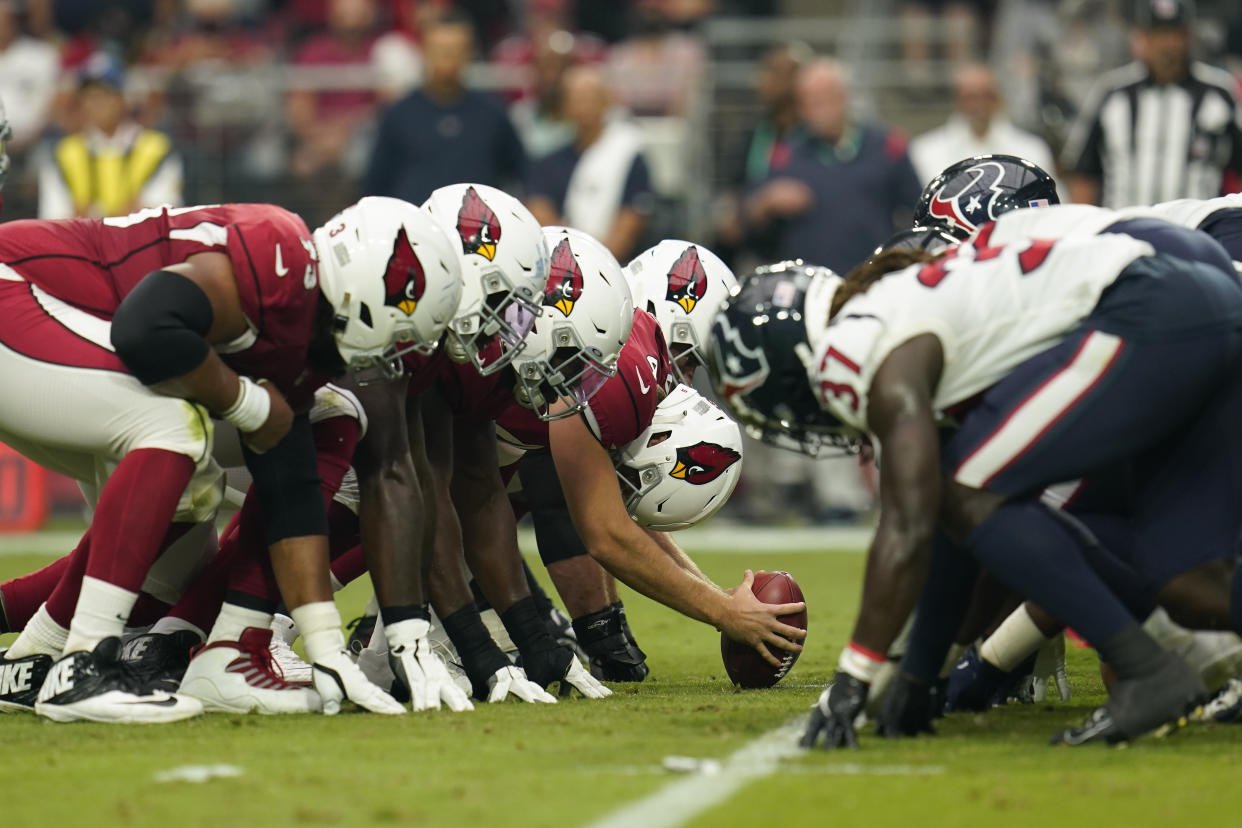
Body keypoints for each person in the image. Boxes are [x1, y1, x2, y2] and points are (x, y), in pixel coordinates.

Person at [710, 224, 1242, 746]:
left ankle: (1147, 669)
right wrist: (919, 678)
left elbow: (915, 523)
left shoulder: (849, 346)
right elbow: (951, 528)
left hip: (1151, 309)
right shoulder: (897, 309)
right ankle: (1152, 661)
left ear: (792, 366)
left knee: (968, 489)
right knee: (1193, 589)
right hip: (1206, 303)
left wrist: (854, 678)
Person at [0, 197, 460, 722]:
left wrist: (327, 644)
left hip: (73, 355)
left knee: (193, 533)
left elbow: (291, 493)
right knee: (175, 426)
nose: (401, 355)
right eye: (403, 334)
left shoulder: (307, 338)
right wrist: (247, 403)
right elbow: (144, 326)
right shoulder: (278, 256)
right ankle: (85, 665)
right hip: (16, 293)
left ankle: (45, 656)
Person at [746, 58, 922, 276]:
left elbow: (918, 212)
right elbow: (748, 219)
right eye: (808, 102)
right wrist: (767, 200)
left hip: (873, 280)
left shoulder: (886, 148)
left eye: (824, 98)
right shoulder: (784, 155)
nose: (817, 110)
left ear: (845, 97)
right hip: (807, 285)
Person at [1063, 0, 1242, 208]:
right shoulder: (1113, 92)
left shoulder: (1219, 93)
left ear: (1189, 36)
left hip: (1197, 233)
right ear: (1142, 37)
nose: (1167, 45)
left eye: (1174, 34)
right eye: (1158, 34)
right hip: (1123, 232)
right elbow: (1085, 174)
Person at [364, 11, 526, 205]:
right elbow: (375, 184)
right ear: (424, 51)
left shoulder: (493, 113)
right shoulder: (397, 115)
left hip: (479, 229)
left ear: (469, 52)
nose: (448, 58)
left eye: (456, 50)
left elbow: (522, 172)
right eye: (441, 50)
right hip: (414, 229)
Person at [525, 66, 654, 263]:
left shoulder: (629, 157)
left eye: (591, 99)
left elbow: (628, 227)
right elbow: (541, 220)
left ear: (606, 102)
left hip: (614, 269)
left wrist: (590, 265)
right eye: (576, 99)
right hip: (559, 268)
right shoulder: (547, 163)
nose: (583, 107)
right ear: (564, 106)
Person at [38, 53, 182, 220]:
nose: (96, 103)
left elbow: (163, 212)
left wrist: (90, 218)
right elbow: (54, 218)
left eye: (105, 95)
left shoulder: (157, 148)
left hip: (142, 244)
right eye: (89, 96)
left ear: (123, 99)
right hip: (82, 246)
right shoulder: (63, 152)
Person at [909, 64, 1057, 188]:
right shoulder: (925, 151)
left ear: (998, 99)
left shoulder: (1032, 149)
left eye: (986, 96)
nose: (978, 105)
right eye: (970, 97)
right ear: (957, 100)